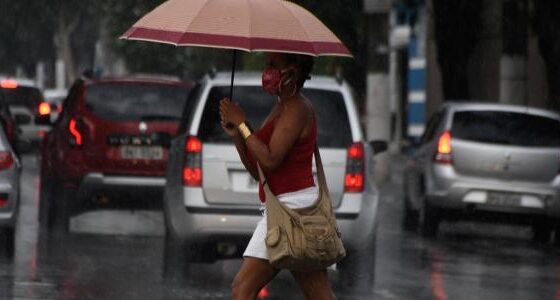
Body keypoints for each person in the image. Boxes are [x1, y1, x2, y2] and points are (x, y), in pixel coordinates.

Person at [219, 53, 336, 300]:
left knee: (243, 289)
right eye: (267, 65)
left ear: (291, 71)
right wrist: (238, 134)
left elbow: (271, 158)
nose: (267, 71)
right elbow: (258, 168)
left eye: (273, 65)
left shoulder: (297, 108)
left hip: (293, 213)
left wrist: (242, 124)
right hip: (285, 209)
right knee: (321, 296)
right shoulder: (281, 107)